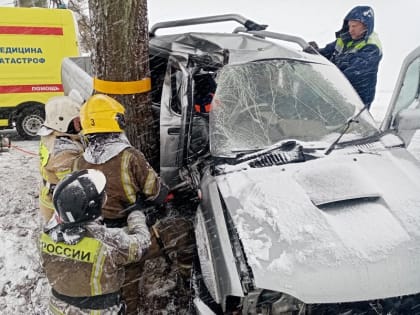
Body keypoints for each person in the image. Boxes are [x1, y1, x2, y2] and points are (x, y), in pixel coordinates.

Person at [73, 94, 194, 314]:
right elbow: (156, 193)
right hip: (128, 236)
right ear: (115, 122)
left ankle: (127, 305)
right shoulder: (129, 156)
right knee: (183, 231)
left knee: (126, 291)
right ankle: (188, 280)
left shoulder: (79, 161)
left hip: (97, 239)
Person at [40, 168, 151, 315]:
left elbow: (79, 243)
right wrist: (135, 213)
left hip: (58, 308)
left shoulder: (44, 235)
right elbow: (142, 243)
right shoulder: (109, 242)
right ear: (92, 208)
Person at [314, 6, 382, 109]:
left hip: (356, 102)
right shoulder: (344, 40)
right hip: (336, 94)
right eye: (349, 26)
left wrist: (324, 80)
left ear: (365, 26)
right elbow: (326, 53)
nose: (350, 30)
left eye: (354, 26)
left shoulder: (372, 48)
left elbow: (353, 73)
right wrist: (313, 52)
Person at [38, 93, 84, 222]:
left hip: (48, 194)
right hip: (61, 206)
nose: (80, 123)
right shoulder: (63, 152)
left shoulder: (51, 134)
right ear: (62, 121)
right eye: (76, 120)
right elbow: (73, 185)